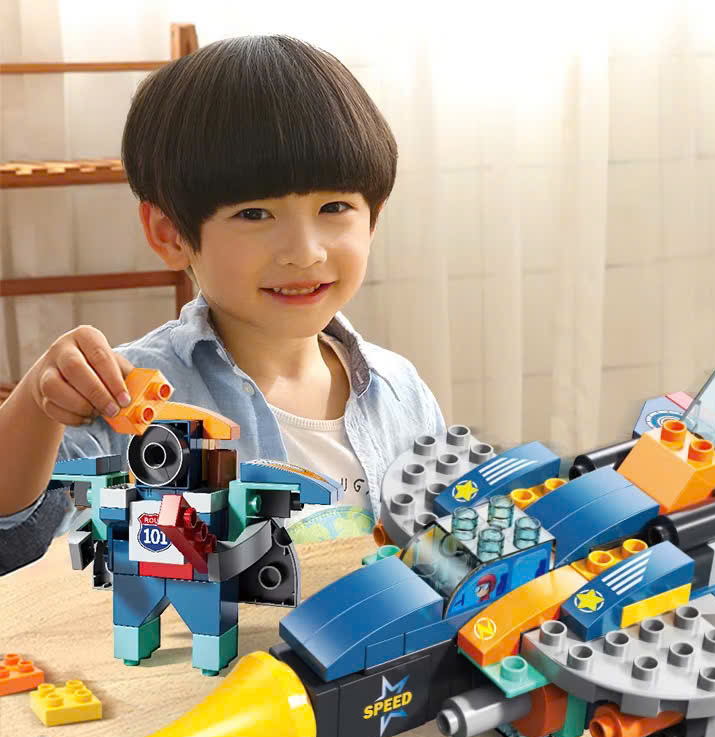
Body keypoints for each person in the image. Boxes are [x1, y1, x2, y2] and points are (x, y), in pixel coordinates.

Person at [0, 34, 445, 576]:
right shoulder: (121, 396)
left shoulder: (401, 391)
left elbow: (439, 554)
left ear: (373, 219)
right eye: (255, 214)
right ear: (170, 234)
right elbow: (12, 535)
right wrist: (35, 402)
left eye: (334, 207)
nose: (305, 252)